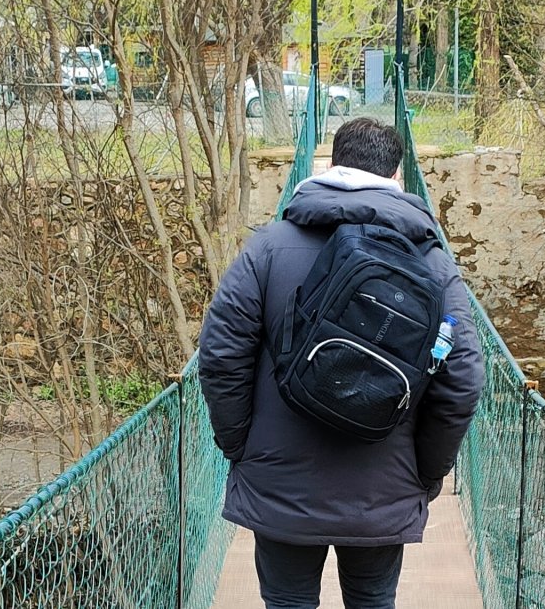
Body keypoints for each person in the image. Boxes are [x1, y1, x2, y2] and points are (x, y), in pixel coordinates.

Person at [197, 117, 485, 609]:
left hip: (279, 481)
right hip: (383, 485)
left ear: (331, 166)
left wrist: (239, 446)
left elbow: (221, 355)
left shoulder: (267, 247)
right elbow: (462, 377)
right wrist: (427, 471)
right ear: (397, 176)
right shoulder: (433, 263)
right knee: (373, 601)